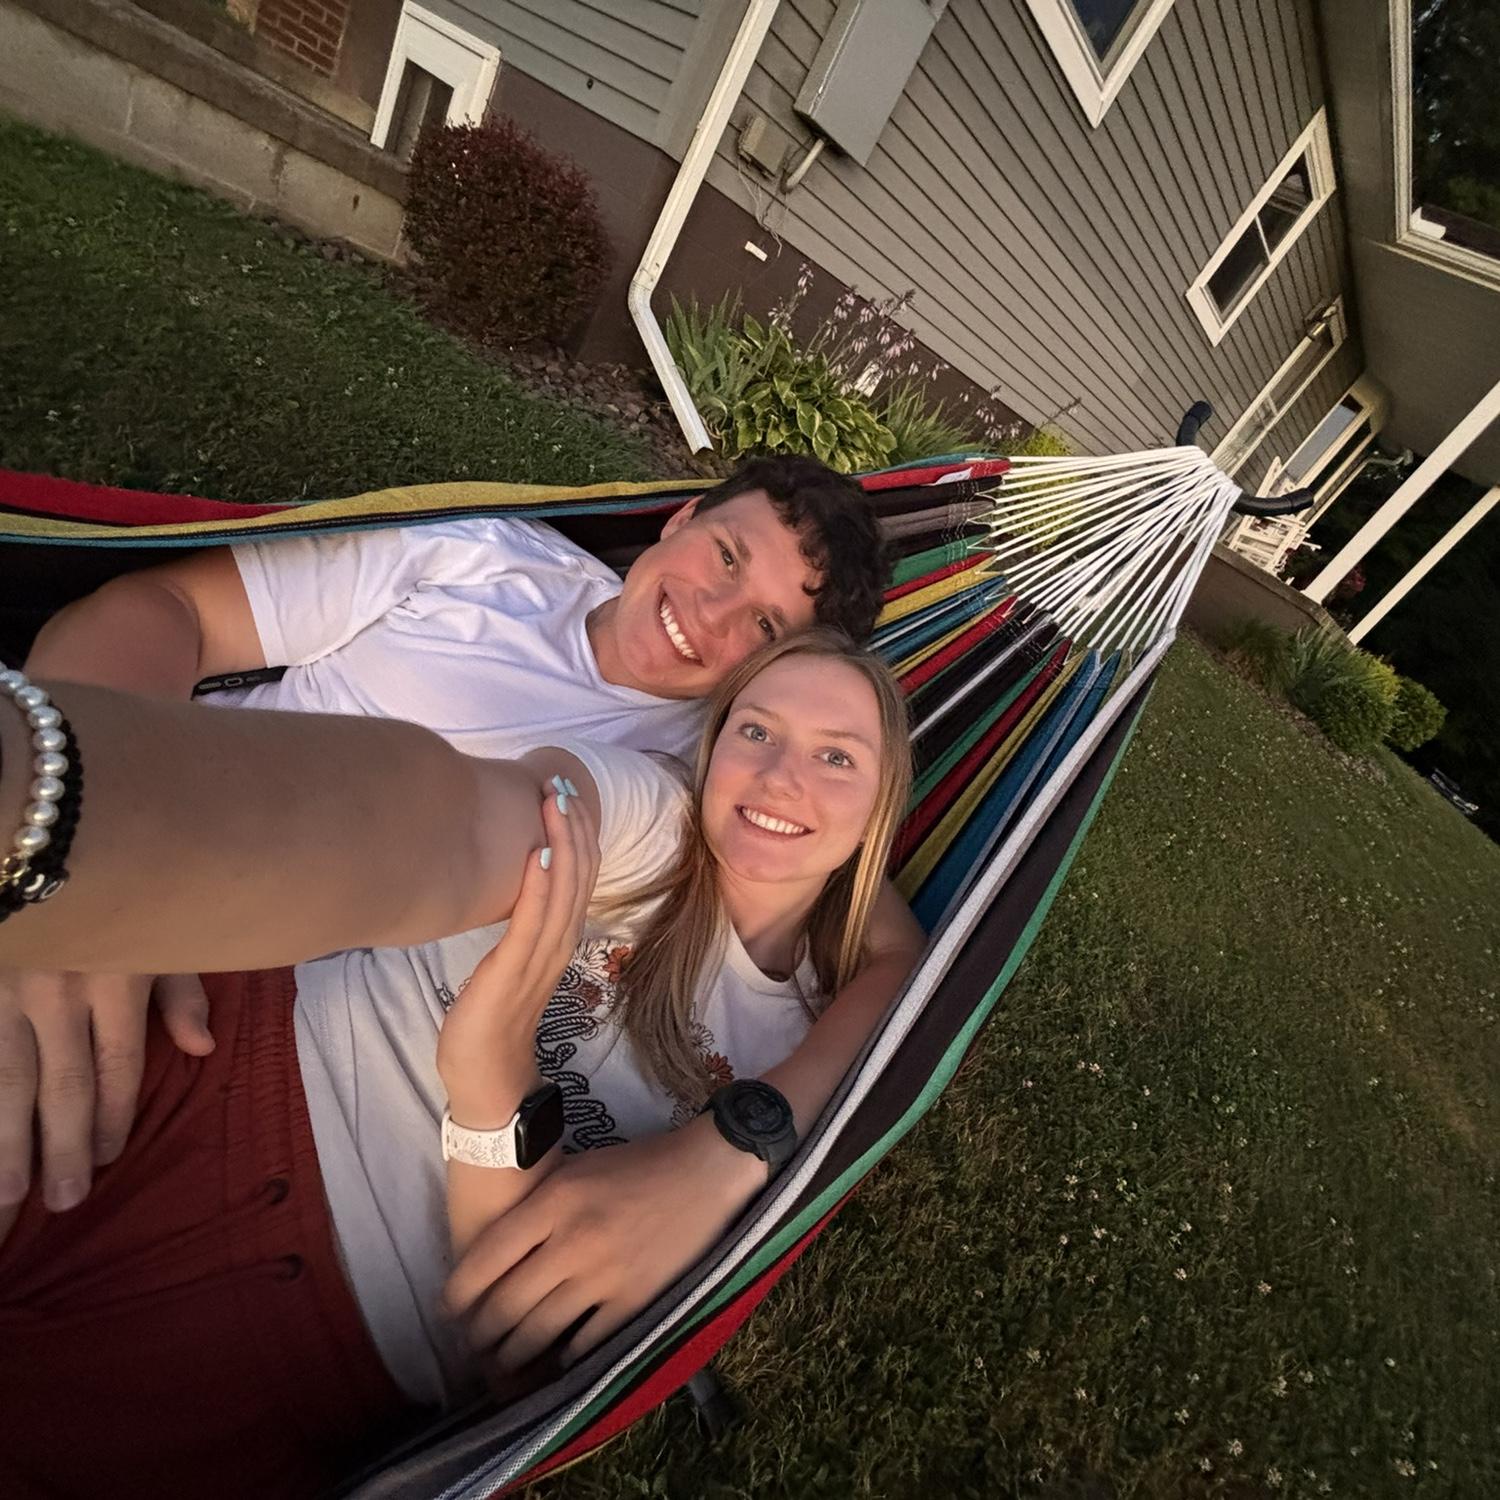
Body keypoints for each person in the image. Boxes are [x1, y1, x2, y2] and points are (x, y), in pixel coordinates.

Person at [0, 631, 915, 1499]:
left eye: (837, 757)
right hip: (208, 1064)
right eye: (754, 731)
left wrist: (491, 1085)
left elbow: (519, 1359)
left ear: (882, 807)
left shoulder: (815, 1047)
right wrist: (63, 813)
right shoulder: (652, 821)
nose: (779, 775)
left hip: (316, 1347)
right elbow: (453, 820)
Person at [0, 455, 890, 1234]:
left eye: (767, 629)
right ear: (682, 515)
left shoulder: (722, 776)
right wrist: (86, 855)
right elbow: (162, 608)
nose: (717, 614)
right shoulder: (485, 558)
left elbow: (888, 937)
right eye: (726, 555)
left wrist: (745, 1141)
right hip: (139, 820)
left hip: (288, 1033)